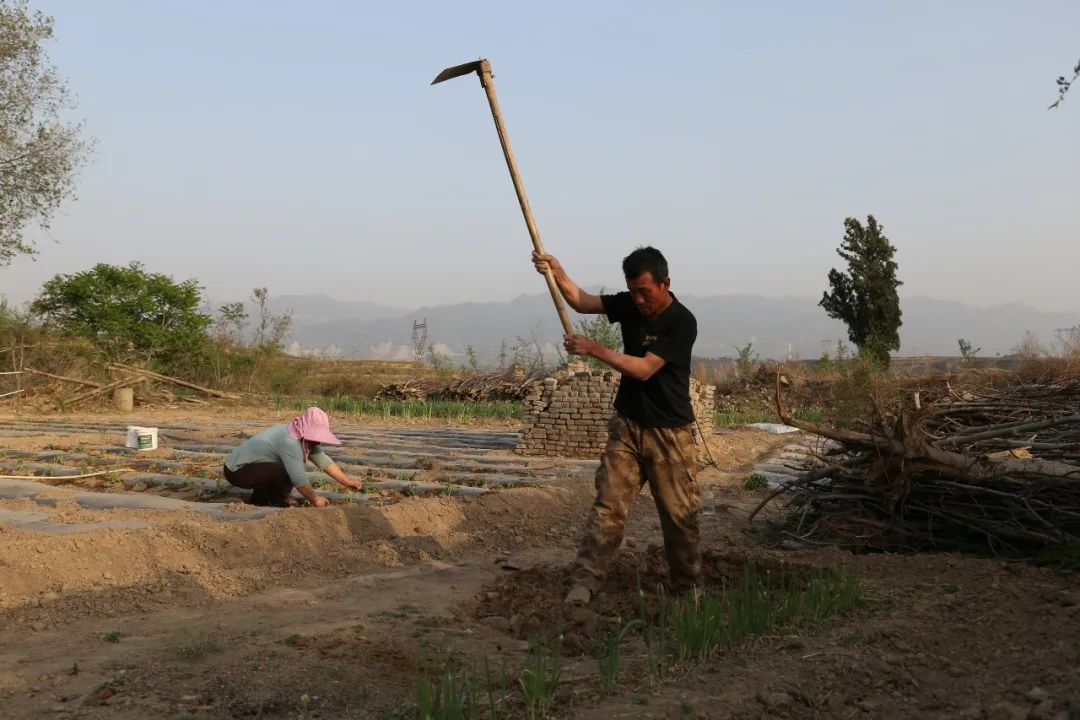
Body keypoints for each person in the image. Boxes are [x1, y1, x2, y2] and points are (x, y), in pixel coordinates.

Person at [533, 246, 700, 605]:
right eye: (633, 291)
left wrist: (594, 349)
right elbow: (582, 302)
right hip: (627, 425)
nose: (639, 300)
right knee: (608, 506)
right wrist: (556, 270)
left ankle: (687, 589)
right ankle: (585, 581)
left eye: (645, 291)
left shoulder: (681, 322)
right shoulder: (628, 304)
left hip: (669, 434)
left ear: (665, 283)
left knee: (678, 515)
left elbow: (643, 369)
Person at [223, 407, 362, 507]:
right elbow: (298, 478)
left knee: (283, 469)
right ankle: (261, 501)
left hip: (255, 468)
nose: (318, 440)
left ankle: (273, 500)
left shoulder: (303, 435)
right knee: (285, 470)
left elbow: (324, 461)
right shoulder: (290, 440)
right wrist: (315, 499)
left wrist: (346, 481)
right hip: (236, 470)